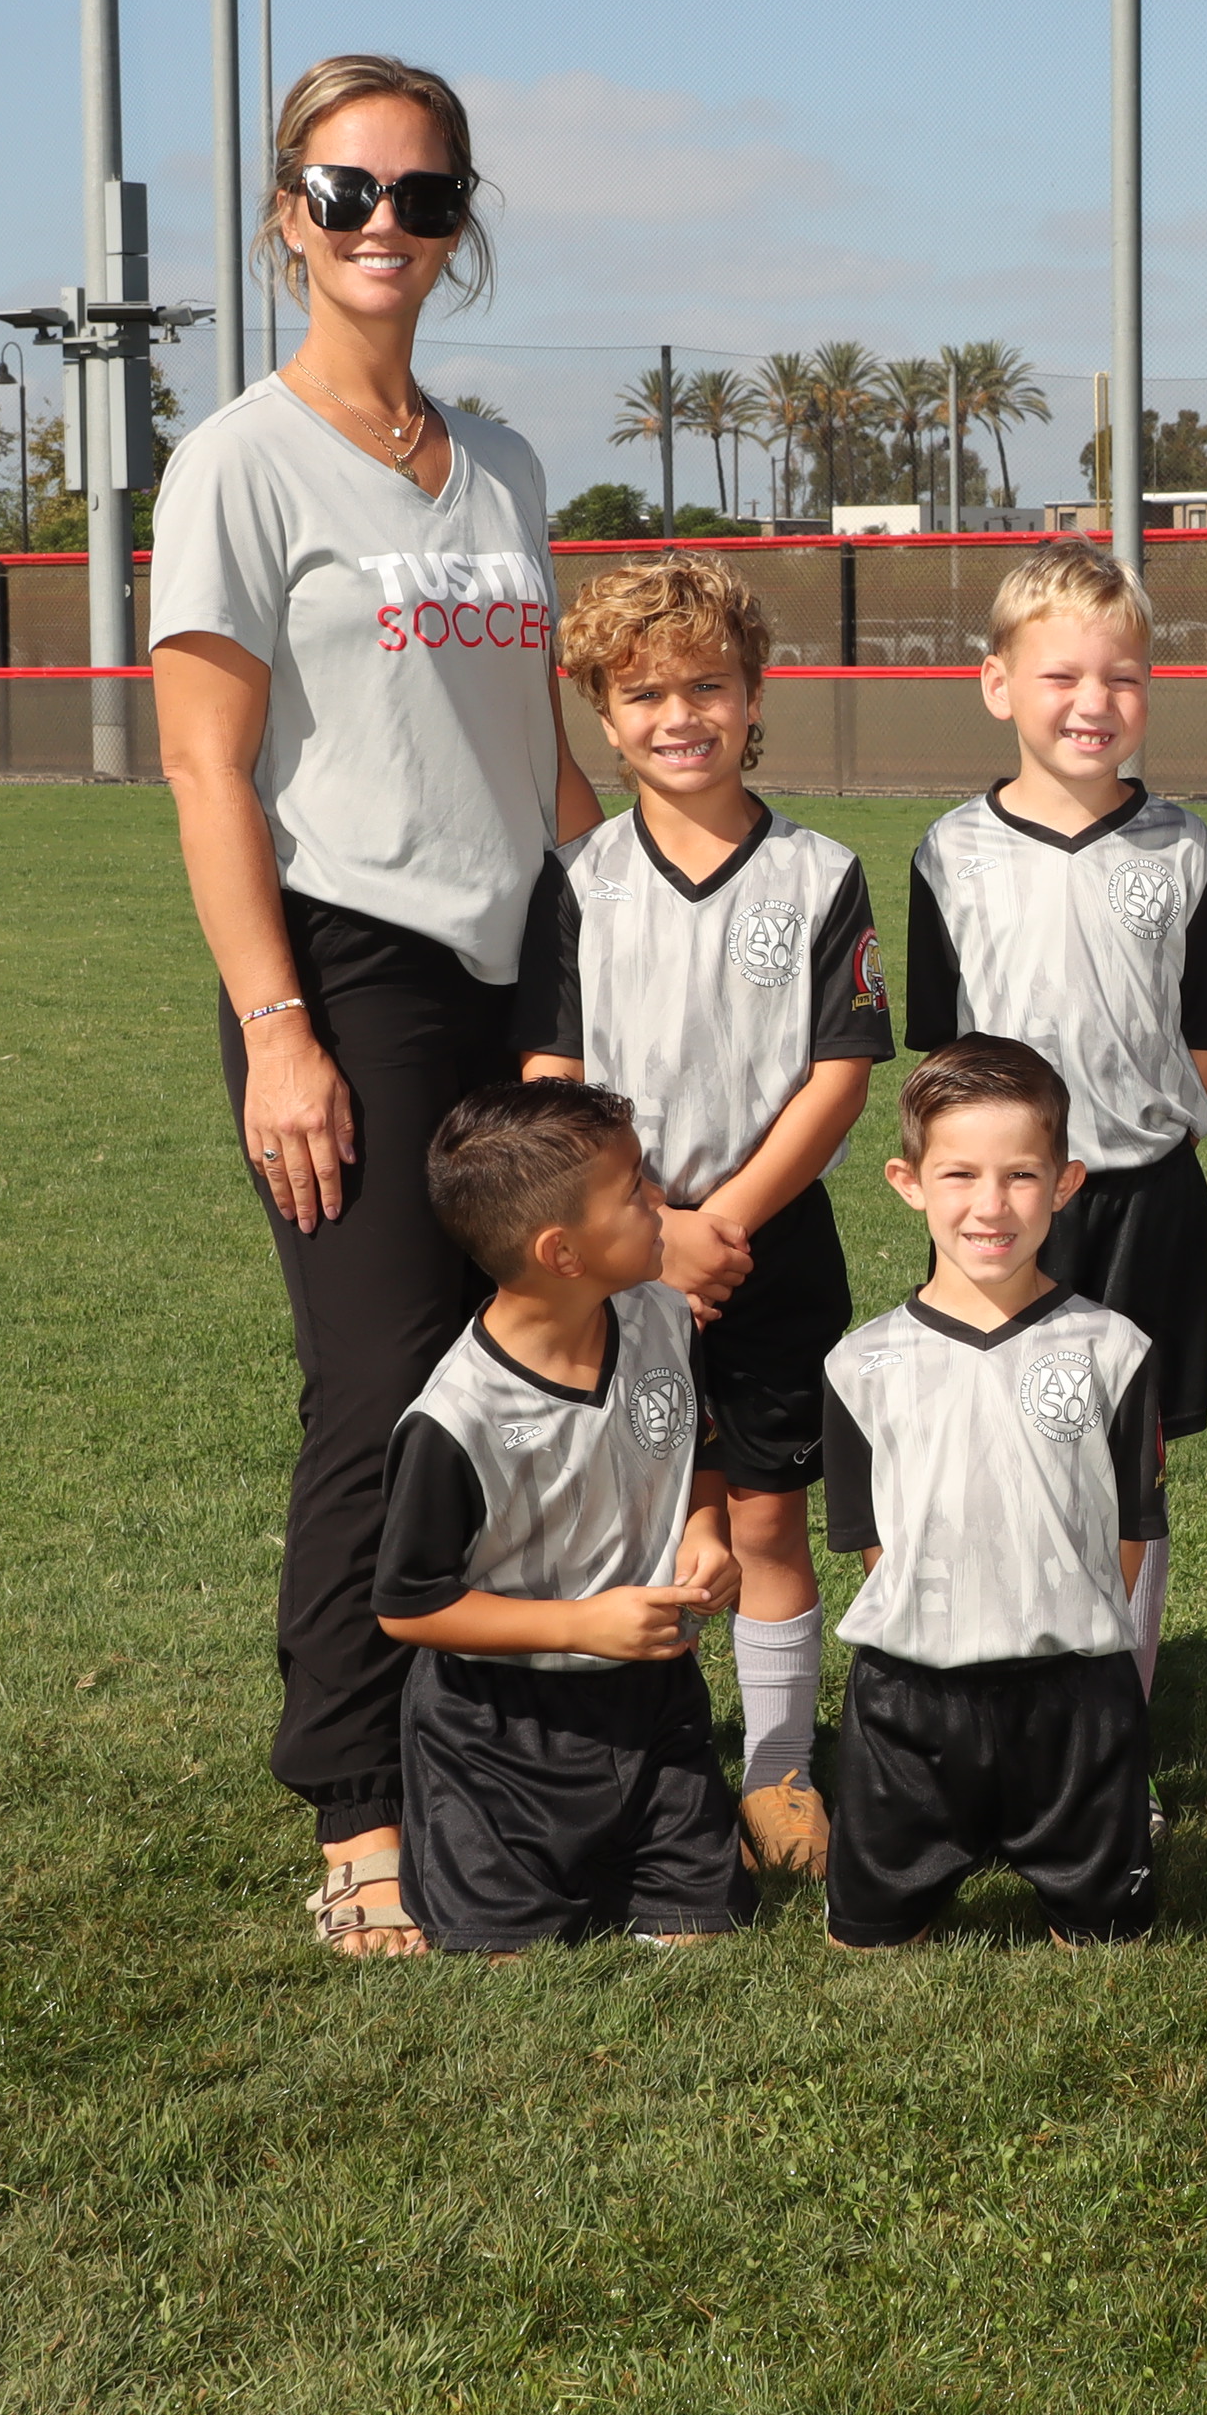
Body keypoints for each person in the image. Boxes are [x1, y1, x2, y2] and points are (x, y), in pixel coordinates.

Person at [152, 51, 596, 1959]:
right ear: (287, 216)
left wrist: (620, 932)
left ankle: (498, 1748)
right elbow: (204, 768)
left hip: (519, 955)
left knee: (527, 1356)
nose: (385, 226)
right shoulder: (239, 462)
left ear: (460, 221)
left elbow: (539, 749)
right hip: (349, 967)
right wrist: (278, 1033)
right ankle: (352, 1798)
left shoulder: (499, 464)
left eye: (425, 195)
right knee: (380, 1378)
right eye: (348, 193)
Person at [512, 555, 890, 1879]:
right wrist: (644, 1234)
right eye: (647, 696)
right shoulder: (577, 880)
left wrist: (717, 1224)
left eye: (708, 687)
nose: (681, 716)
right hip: (617, 1261)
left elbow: (840, 1075)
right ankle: (646, 1766)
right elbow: (551, 1078)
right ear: (605, 720)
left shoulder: (820, 873)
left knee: (769, 1522)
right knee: (639, 1522)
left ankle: (780, 1770)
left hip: (767, 1250)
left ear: (755, 693)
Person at [902, 541, 1207, 1693]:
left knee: (1130, 1457)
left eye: (1122, 676)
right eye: (1062, 675)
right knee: (996, 1437)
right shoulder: (950, 850)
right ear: (998, 684)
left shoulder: (1184, 846)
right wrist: (981, 1178)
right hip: (1002, 1207)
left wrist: (1154, 1127)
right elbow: (942, 1050)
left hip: (1144, 1197)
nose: (1094, 701)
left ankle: (1117, 1703)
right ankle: (1001, 1676)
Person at [370, 1080, 745, 1954]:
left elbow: (702, 1448)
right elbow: (410, 1606)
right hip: (498, 1733)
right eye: (635, 1190)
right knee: (505, 1952)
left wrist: (705, 1529)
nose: (660, 1201)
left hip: (657, 1705)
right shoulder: (455, 1422)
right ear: (563, 1252)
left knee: (703, 1934)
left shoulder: (664, 1319)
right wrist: (581, 1626)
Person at [813, 1037, 1171, 1950]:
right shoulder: (861, 1363)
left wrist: (1057, 1623)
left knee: (1108, 1940)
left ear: (1065, 1183)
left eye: (1020, 1175)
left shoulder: (1113, 1350)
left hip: (1074, 1698)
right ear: (907, 1182)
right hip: (910, 1702)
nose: (990, 1204)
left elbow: (1130, 1534)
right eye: (960, 1175)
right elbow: (874, 1544)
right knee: (868, 1940)